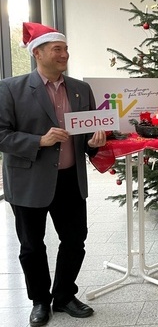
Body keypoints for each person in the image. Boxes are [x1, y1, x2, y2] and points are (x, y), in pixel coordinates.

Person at [0, 22, 106, 326]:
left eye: (65, 49)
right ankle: (39, 301)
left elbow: (85, 136)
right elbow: (1, 134)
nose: (64, 54)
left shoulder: (80, 89)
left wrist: (95, 141)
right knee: (32, 246)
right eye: (57, 49)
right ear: (38, 53)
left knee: (75, 240)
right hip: (28, 181)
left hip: (70, 180)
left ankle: (63, 296)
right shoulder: (10, 88)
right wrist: (38, 141)